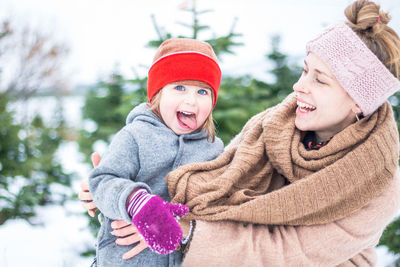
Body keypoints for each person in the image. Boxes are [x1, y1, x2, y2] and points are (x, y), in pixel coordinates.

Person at [80, 0, 400, 265]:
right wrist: (120, 190)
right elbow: (215, 184)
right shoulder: (274, 126)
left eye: (320, 80)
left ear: (359, 102)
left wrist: (183, 231)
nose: (298, 87)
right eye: (305, 70)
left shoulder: (378, 181)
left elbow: (285, 252)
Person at [86, 38, 224, 267]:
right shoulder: (135, 136)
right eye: (179, 87)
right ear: (158, 94)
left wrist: (184, 224)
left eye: (202, 91)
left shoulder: (213, 149)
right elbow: (102, 181)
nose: (191, 100)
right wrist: (136, 203)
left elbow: (220, 207)